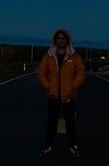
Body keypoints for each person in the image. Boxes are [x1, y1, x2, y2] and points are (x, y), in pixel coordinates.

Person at [37, 28, 86, 157]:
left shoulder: (74, 56)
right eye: (58, 38)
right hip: (53, 96)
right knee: (51, 123)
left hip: (69, 96)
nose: (60, 40)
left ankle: (73, 146)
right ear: (55, 40)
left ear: (67, 40)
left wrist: (72, 86)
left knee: (71, 123)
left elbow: (81, 73)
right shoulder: (49, 56)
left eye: (63, 38)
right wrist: (48, 87)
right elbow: (42, 73)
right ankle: (47, 147)